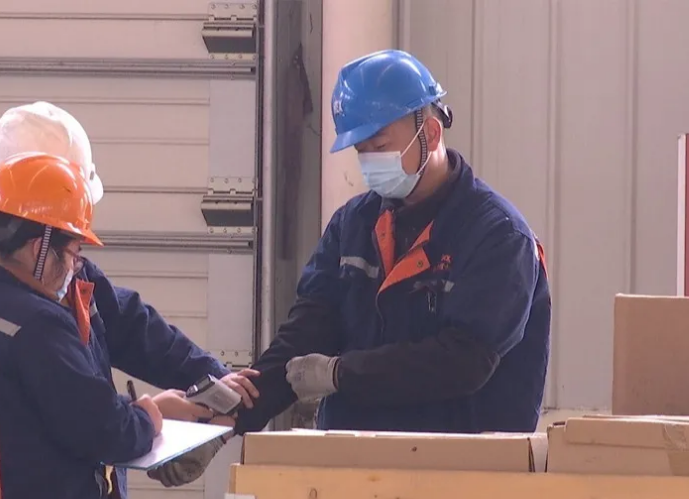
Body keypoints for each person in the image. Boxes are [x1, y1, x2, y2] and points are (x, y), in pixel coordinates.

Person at [146, 48, 552, 487]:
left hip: (462, 477)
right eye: (362, 150)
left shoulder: (498, 236)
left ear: (431, 133)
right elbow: (303, 338)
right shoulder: (354, 225)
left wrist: (341, 374)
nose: (371, 161)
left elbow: (464, 361)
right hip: (359, 473)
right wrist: (222, 420)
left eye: (380, 146)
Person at [0, 102, 259, 497]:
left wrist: (210, 379)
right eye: (73, 248)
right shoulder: (29, 319)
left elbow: (127, 324)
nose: (76, 264)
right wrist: (148, 417)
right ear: (40, 241)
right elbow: (98, 426)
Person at [0, 153, 172, 498]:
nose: (74, 270)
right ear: (40, 249)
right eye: (73, 255)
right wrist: (147, 417)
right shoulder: (35, 324)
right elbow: (106, 431)